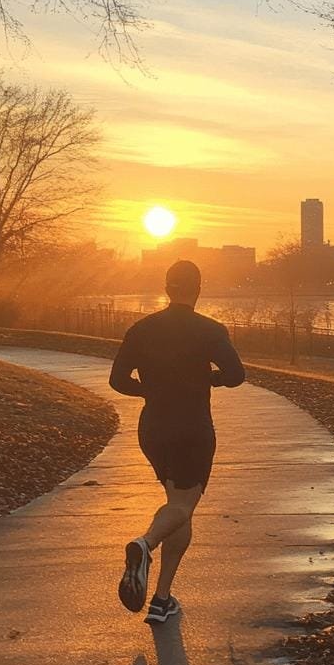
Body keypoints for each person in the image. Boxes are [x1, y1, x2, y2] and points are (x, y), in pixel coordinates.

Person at [110, 260, 246, 623]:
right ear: (198, 288)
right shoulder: (210, 330)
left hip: (153, 428)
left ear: (167, 288)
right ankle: (145, 545)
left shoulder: (140, 329)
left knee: (178, 506)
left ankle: (161, 599)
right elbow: (236, 375)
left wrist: (151, 391)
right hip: (192, 427)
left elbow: (118, 381)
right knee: (183, 506)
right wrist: (208, 381)